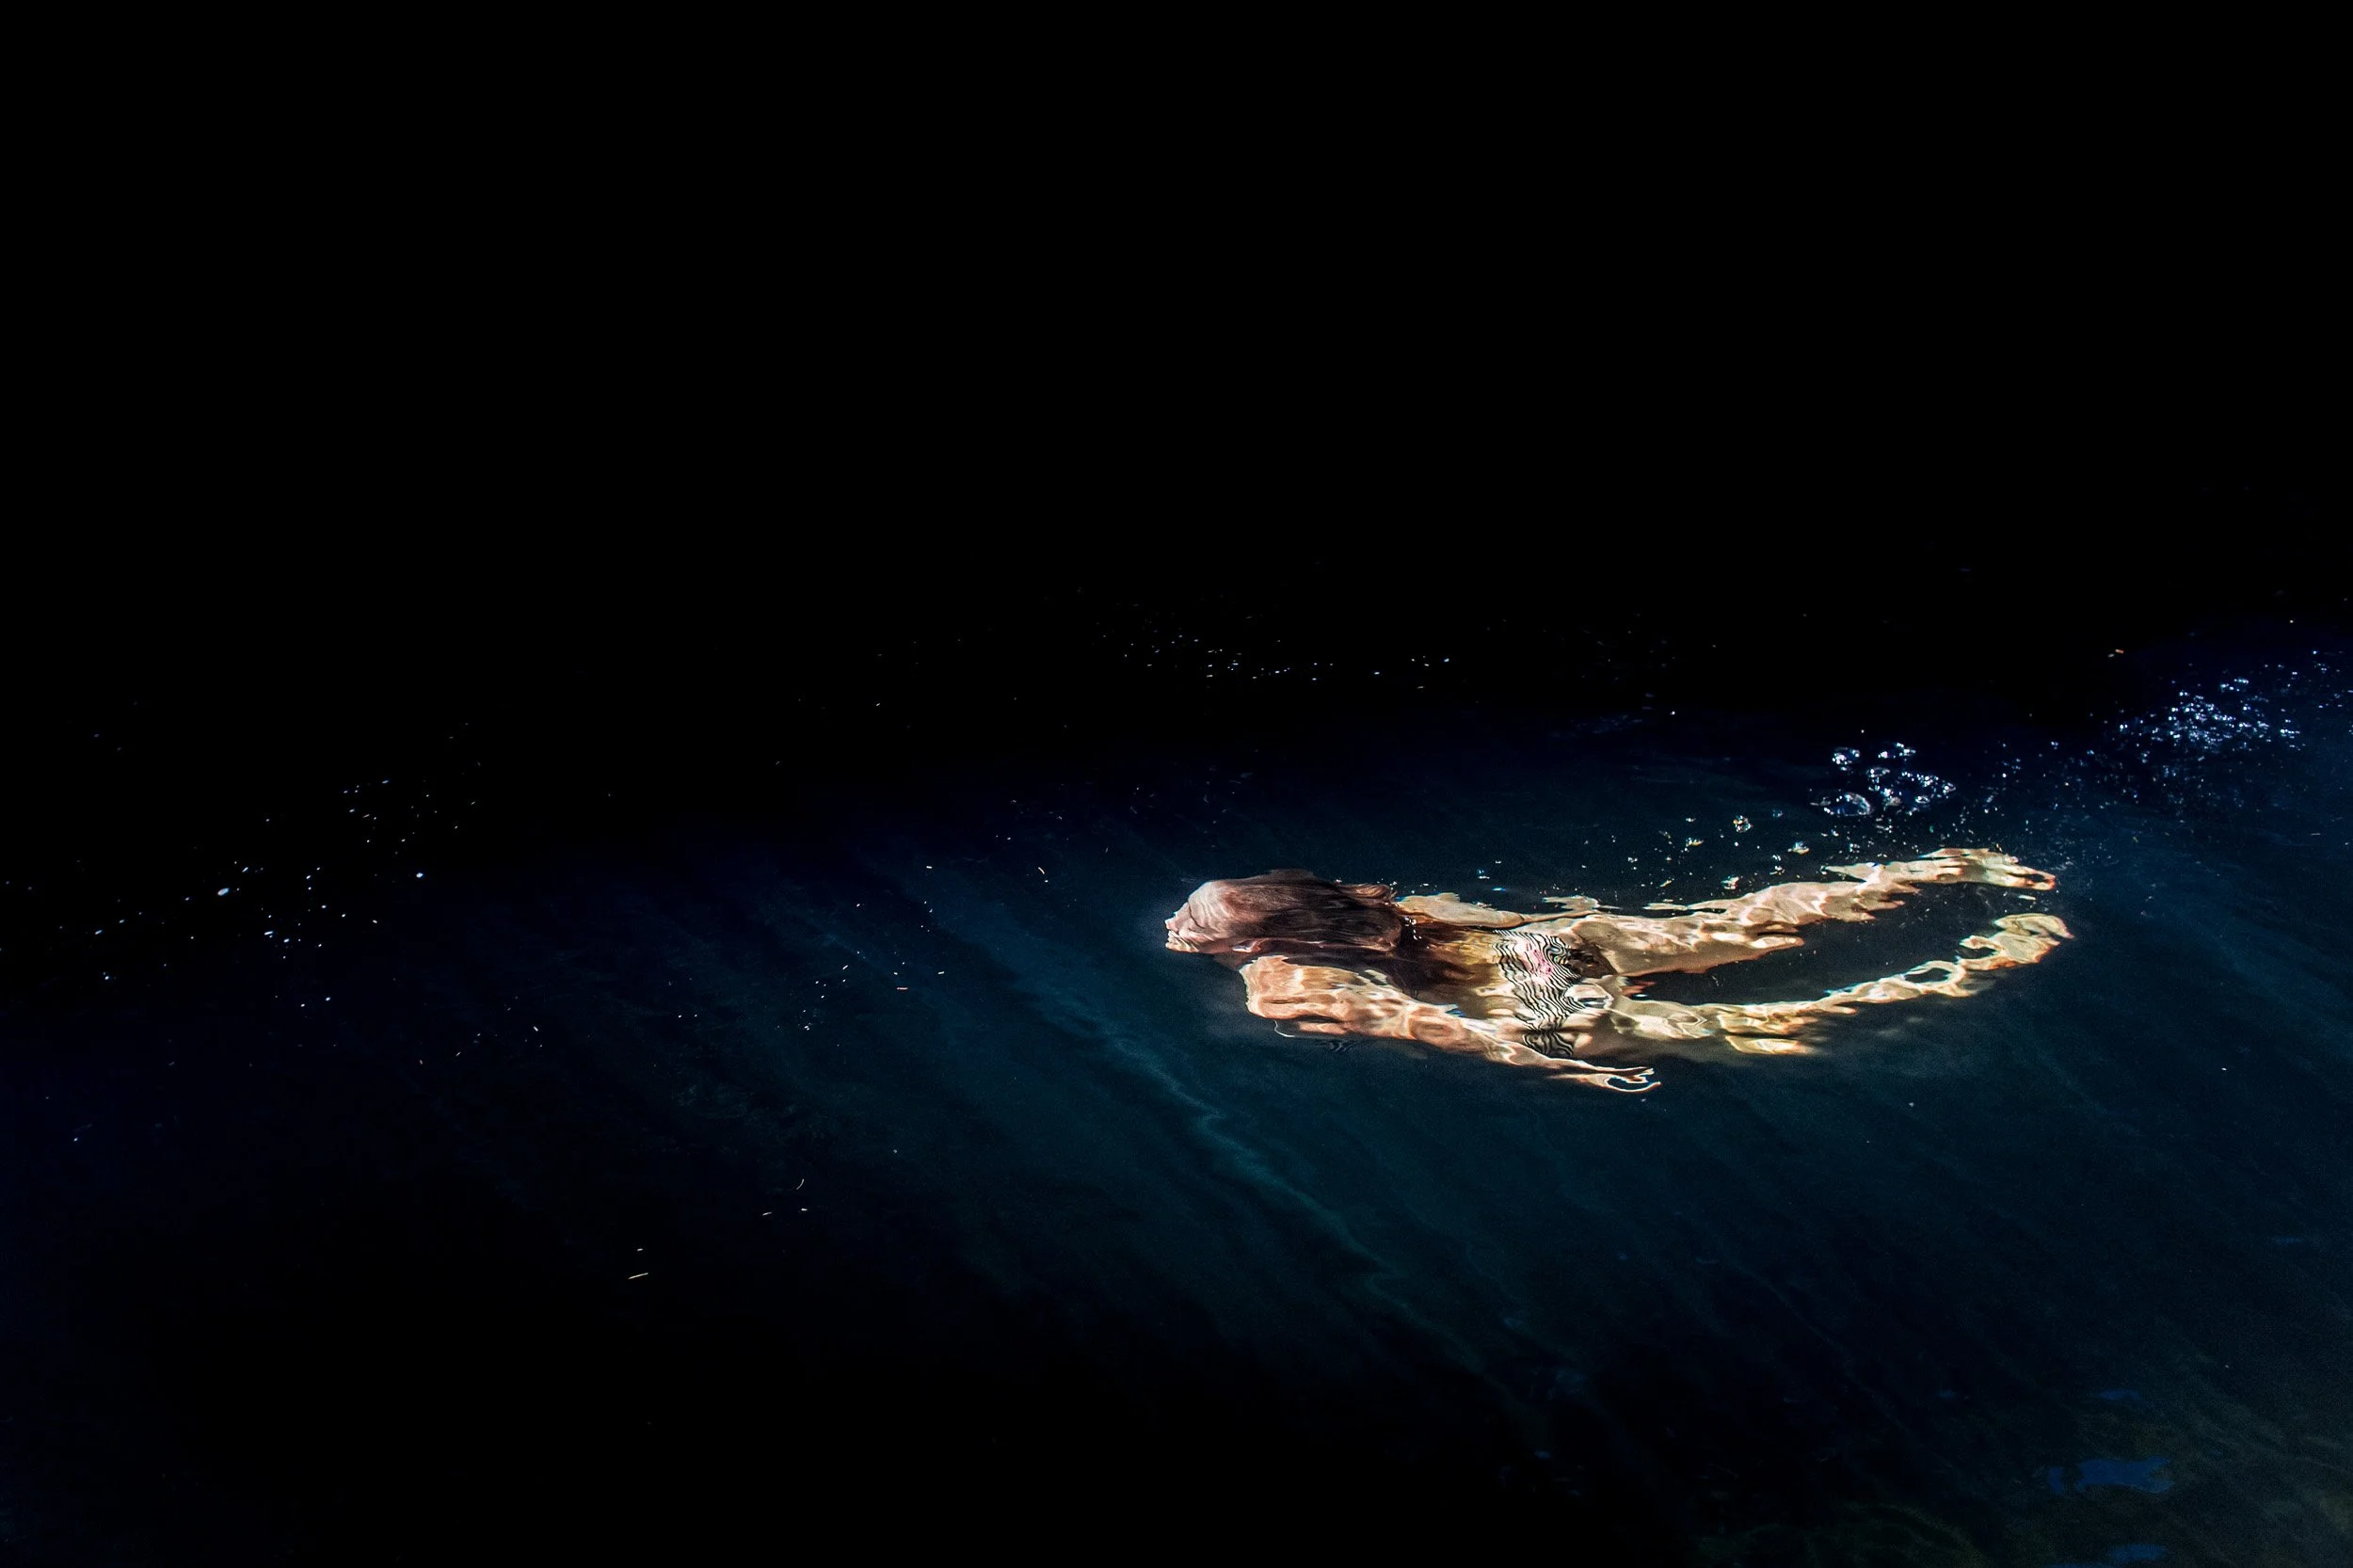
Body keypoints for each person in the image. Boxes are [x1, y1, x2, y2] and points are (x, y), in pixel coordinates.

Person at [1162, 850, 2070, 1092]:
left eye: (1197, 923)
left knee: (1766, 1028)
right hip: (1539, 942)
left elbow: (1441, 1027)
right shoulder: (1389, 907)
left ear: (1250, 944)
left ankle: (1969, 968)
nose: (1176, 924)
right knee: (1735, 927)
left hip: (1523, 990)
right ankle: (1944, 868)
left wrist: (1557, 1060)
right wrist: (1581, 944)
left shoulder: (1279, 985)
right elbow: (1519, 927)